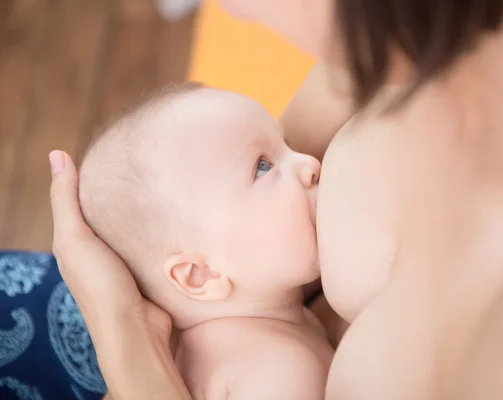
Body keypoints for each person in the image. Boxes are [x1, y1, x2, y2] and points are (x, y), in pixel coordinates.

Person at [49, 0, 503, 399]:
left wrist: (127, 348)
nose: (235, 13)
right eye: (269, 162)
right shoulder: (407, 33)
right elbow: (210, 181)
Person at [78, 83, 333, 399]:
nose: (310, 163)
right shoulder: (282, 373)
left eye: (286, 144)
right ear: (201, 275)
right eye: (263, 167)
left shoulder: (210, 351)